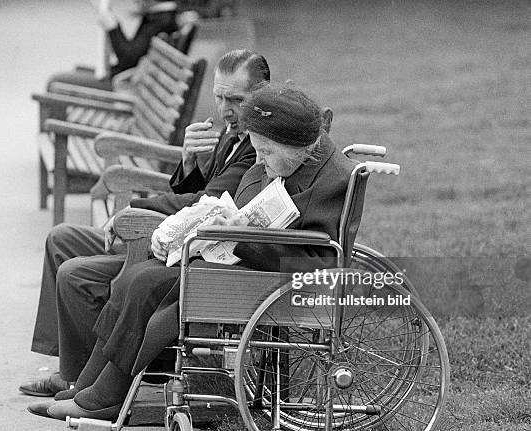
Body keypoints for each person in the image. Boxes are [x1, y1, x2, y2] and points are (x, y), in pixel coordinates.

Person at [28, 82, 358, 420]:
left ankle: (104, 396)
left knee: (143, 282)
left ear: (293, 147)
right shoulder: (293, 162)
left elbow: (320, 260)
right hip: (242, 260)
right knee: (137, 276)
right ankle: (90, 387)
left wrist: (240, 235)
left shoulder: (327, 182)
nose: (259, 160)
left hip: (266, 278)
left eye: (266, 152)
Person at [20, 49, 271, 398]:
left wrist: (133, 208)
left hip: (170, 241)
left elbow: (204, 205)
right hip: (168, 231)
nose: (225, 108)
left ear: (260, 94)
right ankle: (68, 365)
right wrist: (187, 160)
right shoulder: (231, 132)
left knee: (76, 272)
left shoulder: (257, 149)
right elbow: (197, 191)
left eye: (236, 99)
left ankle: (76, 377)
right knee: (61, 238)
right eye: (218, 96)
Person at [47, 0, 180, 91]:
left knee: (56, 81)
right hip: (132, 84)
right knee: (73, 73)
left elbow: (128, 60)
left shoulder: (160, 21)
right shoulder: (164, 17)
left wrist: (113, 28)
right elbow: (133, 55)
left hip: (124, 87)